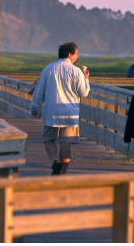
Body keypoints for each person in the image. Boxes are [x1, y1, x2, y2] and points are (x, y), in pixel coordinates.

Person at [30, 42, 90, 175]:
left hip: (52, 111)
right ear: (69, 54)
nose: (77, 57)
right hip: (70, 113)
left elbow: (39, 91)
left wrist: (34, 108)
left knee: (48, 139)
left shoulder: (48, 69)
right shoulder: (76, 72)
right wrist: (86, 79)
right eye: (76, 54)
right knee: (65, 142)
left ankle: (54, 161)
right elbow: (84, 93)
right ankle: (63, 173)